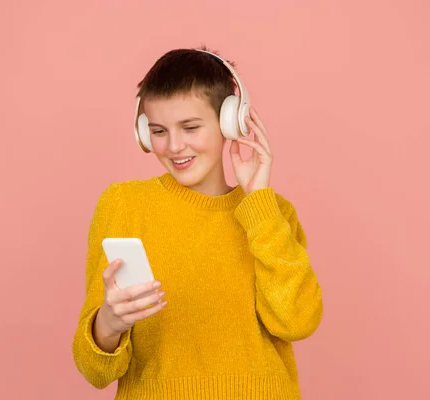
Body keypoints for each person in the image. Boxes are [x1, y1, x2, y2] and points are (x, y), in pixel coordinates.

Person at [72, 45, 324, 400]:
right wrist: (109, 325)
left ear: (229, 122)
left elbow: (297, 321)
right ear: (143, 134)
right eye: (158, 131)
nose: (174, 146)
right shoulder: (124, 204)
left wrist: (258, 204)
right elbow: (95, 370)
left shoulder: (272, 213)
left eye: (190, 127)